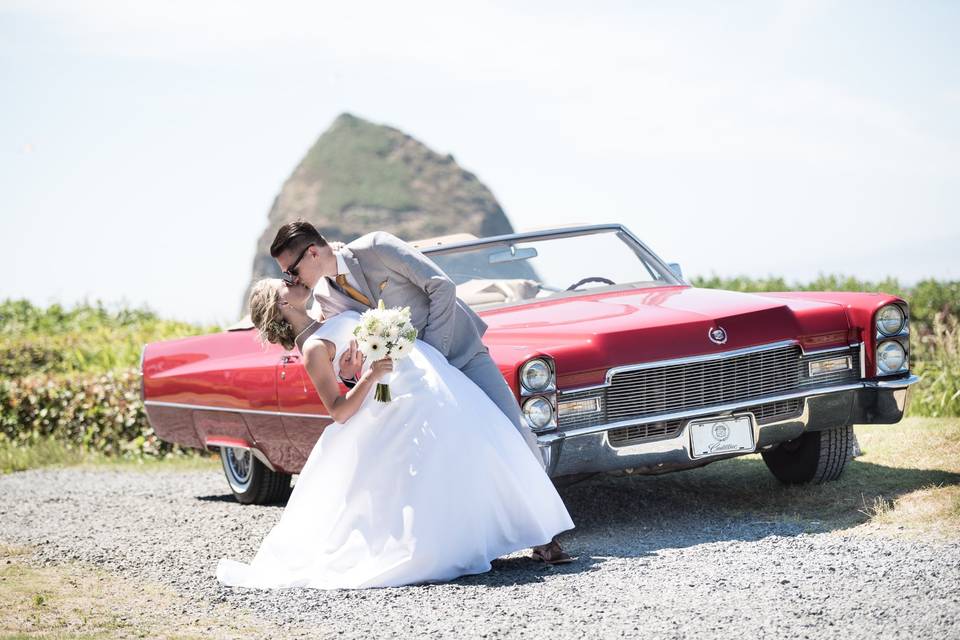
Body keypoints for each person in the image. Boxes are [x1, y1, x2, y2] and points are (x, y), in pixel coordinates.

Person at [215, 279, 575, 589]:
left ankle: (530, 534)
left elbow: (351, 371)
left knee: (479, 445)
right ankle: (461, 545)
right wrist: (371, 376)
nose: (297, 283)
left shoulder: (326, 316)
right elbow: (339, 411)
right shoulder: (311, 349)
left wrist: (361, 370)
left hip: (418, 384)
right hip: (391, 403)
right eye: (287, 284)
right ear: (282, 302)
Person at [269, 220, 569, 563]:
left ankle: (548, 535)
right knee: (453, 453)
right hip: (417, 385)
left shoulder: (377, 246)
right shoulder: (325, 297)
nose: (292, 281)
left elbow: (441, 286)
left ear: (311, 253)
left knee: (514, 431)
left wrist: (435, 357)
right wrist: (352, 376)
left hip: (460, 352)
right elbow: (361, 348)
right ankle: (477, 539)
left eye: (291, 272)